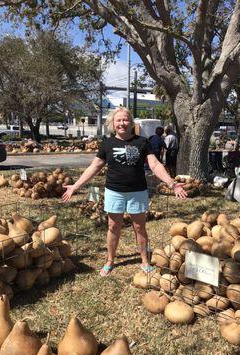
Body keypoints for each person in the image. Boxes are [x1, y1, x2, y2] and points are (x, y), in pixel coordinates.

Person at [62, 107, 187, 276]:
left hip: (137, 191)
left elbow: (155, 165)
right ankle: (110, 260)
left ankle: (144, 260)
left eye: (125, 120)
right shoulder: (107, 143)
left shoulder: (142, 142)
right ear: (113, 123)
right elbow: (95, 166)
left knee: (139, 227)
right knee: (113, 226)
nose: (122, 123)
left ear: (131, 122)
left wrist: (172, 184)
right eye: (118, 120)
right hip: (114, 191)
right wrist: (76, 185)